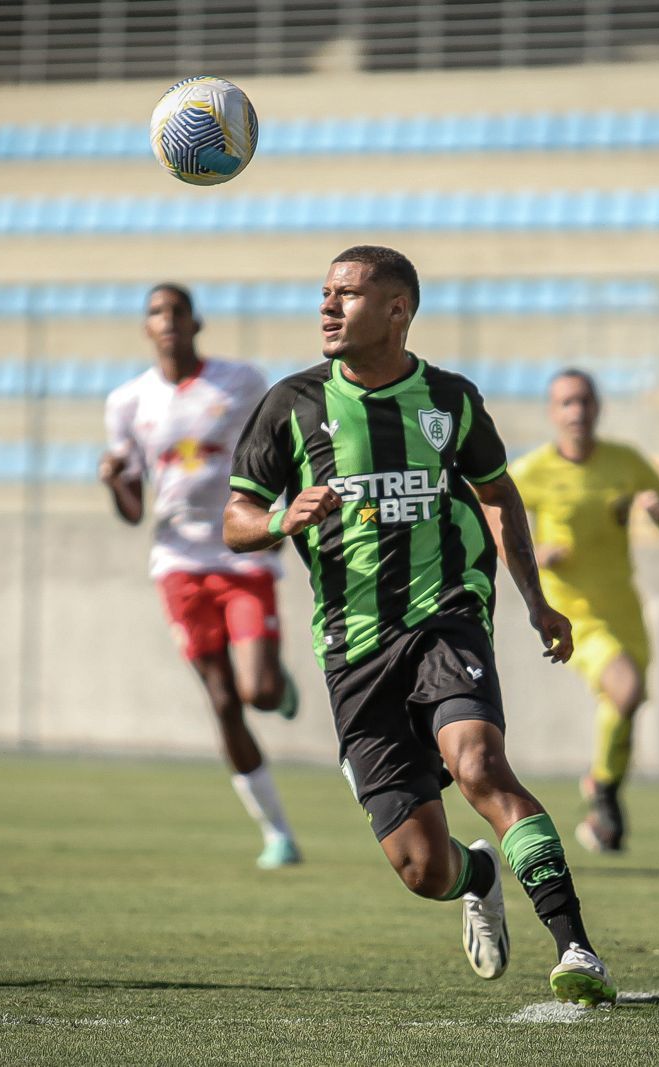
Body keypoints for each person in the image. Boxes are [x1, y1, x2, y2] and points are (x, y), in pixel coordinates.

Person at [222, 245, 616, 1006]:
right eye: (324, 293)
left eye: (347, 294)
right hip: (353, 649)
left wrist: (534, 599)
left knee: (480, 766)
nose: (328, 307)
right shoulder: (292, 405)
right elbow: (235, 520)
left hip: (446, 619)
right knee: (422, 870)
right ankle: (477, 874)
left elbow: (498, 495)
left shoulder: (450, 399)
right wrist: (280, 515)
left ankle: (576, 949)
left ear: (397, 309)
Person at [101, 282, 302, 870]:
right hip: (178, 564)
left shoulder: (239, 381)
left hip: (241, 554)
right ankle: (276, 832)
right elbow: (134, 509)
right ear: (147, 328)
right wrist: (113, 478)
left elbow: (279, 449)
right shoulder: (127, 402)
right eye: (156, 313)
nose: (167, 321)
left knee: (258, 692)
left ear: (196, 323)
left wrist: (280, 521)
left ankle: (274, 682)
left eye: (177, 311)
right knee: (222, 702)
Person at [509, 369, 659, 855]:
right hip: (574, 615)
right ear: (552, 412)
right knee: (626, 690)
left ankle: (601, 796)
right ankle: (604, 793)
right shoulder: (532, 471)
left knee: (626, 703)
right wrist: (536, 554)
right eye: (566, 403)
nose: (577, 411)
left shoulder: (625, 462)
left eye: (584, 401)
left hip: (624, 606)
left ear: (598, 408)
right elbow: (494, 526)